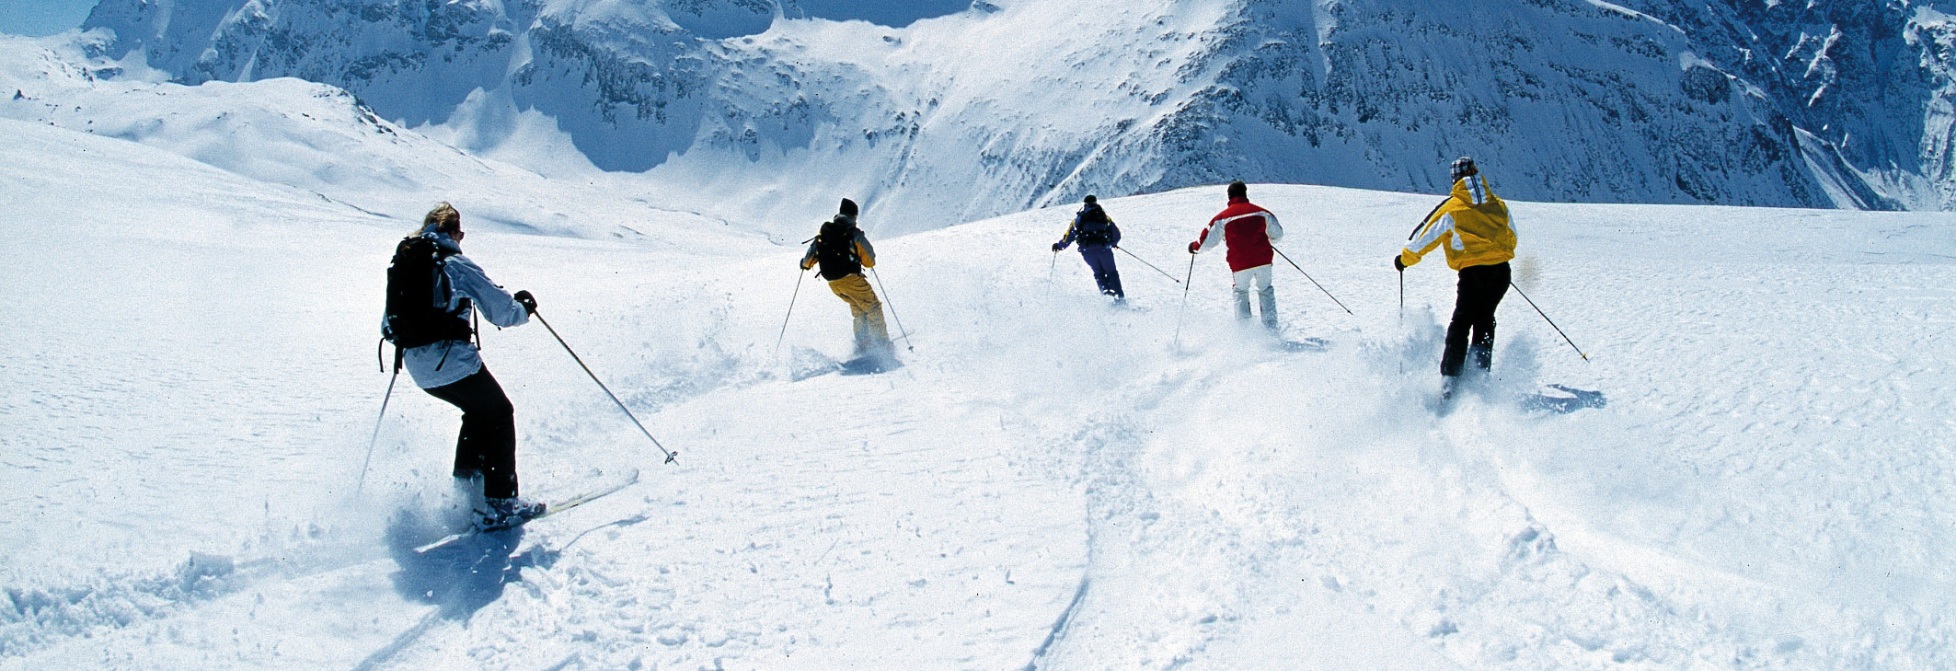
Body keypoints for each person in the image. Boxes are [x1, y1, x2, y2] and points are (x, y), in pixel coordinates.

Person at [394, 203, 544, 529]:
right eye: (460, 233)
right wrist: (524, 308)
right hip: (450, 359)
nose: (461, 239)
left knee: (479, 413)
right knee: (500, 412)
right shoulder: (454, 263)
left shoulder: (406, 261)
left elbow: (388, 327)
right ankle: (502, 504)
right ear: (452, 232)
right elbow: (501, 311)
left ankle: (467, 496)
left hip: (417, 367)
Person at [1395, 157, 1517, 398]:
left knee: (1461, 322)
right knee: (1484, 320)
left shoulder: (1452, 207)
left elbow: (1424, 236)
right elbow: (1512, 237)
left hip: (1473, 274)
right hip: (1501, 272)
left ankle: (1450, 381)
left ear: (1455, 179)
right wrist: (1493, 253)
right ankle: (1479, 377)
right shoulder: (1499, 205)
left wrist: (1404, 260)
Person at [801, 198, 894, 360]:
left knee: (858, 309)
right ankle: (882, 344)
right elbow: (870, 261)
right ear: (854, 216)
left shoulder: (826, 233)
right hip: (850, 278)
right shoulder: (853, 234)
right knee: (873, 307)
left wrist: (805, 264)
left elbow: (807, 261)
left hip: (833, 282)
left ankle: (863, 342)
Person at [1188, 180, 1285, 330]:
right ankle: (1271, 329)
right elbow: (1278, 234)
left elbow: (1206, 242)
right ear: (1245, 193)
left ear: (1229, 196)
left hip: (1240, 263)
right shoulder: (1261, 212)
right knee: (1265, 290)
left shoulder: (1222, 218)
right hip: (1263, 259)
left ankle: (1245, 332)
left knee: (1241, 291)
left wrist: (1194, 248)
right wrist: (1268, 239)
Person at [1052, 195, 1125, 301]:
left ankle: (1107, 297)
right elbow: (1117, 235)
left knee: (1099, 273)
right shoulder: (1104, 217)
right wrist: (1110, 243)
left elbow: (1067, 238)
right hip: (1104, 250)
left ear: (1085, 204)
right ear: (1096, 203)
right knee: (1112, 273)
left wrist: (1058, 246)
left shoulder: (1078, 220)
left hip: (1087, 252)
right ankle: (1120, 299)